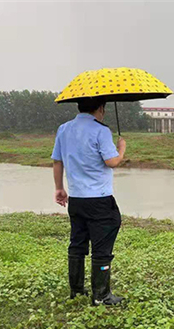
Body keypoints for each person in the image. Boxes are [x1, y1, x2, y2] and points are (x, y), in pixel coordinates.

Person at [51, 96, 126, 306]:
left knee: (77, 243)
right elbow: (111, 161)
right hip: (99, 200)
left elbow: (57, 161)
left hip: (76, 199)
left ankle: (76, 290)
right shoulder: (101, 130)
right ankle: (101, 295)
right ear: (100, 108)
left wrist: (59, 188)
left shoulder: (64, 129)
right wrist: (121, 148)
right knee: (102, 245)